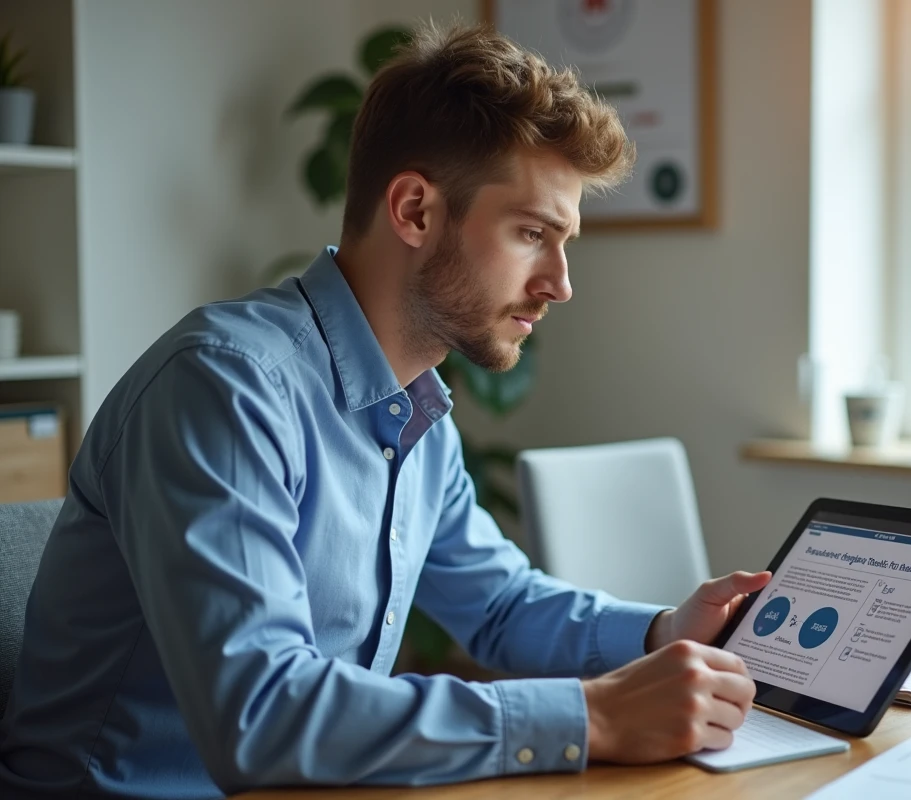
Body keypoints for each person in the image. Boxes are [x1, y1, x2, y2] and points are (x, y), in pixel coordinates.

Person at [0, 22, 770, 798]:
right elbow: (260, 716)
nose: (560, 283)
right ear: (414, 210)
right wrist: (591, 717)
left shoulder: (418, 415)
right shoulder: (224, 387)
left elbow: (497, 605)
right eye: (532, 233)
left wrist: (661, 631)